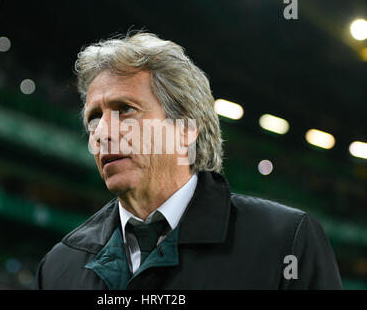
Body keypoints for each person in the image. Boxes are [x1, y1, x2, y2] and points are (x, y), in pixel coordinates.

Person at [34, 32, 342, 289]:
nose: (102, 132)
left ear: (185, 129)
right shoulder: (58, 267)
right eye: (95, 117)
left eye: (125, 109)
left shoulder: (285, 243)